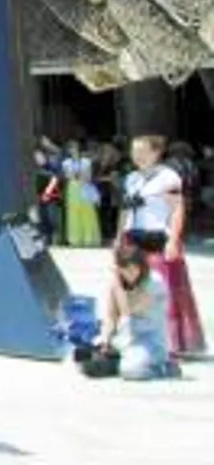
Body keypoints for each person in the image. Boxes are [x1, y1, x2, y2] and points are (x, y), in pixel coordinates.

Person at [121, 134, 205, 357]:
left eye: (142, 151)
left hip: (159, 239)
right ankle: (140, 336)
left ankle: (172, 341)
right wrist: (119, 239)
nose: (136, 155)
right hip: (133, 239)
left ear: (156, 153)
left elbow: (178, 209)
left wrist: (174, 240)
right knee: (135, 290)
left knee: (166, 291)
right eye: (133, 151)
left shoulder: (169, 177)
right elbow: (126, 210)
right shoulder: (131, 178)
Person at [100, 242, 179, 381]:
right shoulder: (119, 282)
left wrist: (116, 284)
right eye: (126, 269)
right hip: (126, 336)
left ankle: (164, 367)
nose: (131, 273)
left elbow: (128, 310)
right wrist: (105, 340)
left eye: (134, 268)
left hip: (150, 341)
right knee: (85, 354)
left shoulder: (154, 282)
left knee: (130, 371)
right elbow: (111, 316)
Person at [61, 140, 103, 247]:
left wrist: (82, 176)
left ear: (79, 149)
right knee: (73, 214)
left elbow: (89, 176)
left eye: (75, 148)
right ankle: (75, 240)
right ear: (68, 151)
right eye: (70, 148)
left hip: (85, 186)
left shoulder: (86, 161)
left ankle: (90, 239)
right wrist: (73, 175)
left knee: (88, 213)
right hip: (73, 188)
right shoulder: (65, 163)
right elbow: (67, 176)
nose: (73, 150)